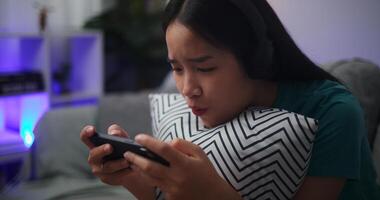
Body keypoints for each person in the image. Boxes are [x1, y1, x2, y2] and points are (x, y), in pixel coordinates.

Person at [80, 0, 380, 199]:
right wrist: (133, 177)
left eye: (205, 68)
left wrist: (211, 193)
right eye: (177, 68)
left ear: (255, 58)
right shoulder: (201, 108)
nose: (187, 88)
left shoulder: (334, 111)